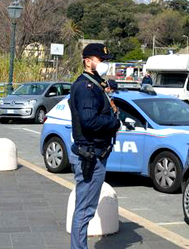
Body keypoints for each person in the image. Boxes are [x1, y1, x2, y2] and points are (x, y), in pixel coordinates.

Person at [68, 43, 121, 249]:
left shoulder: (95, 84)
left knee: (85, 208)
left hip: (96, 152)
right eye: (101, 60)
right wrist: (114, 123)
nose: (105, 64)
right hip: (90, 154)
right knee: (85, 210)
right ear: (88, 61)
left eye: (106, 60)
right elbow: (89, 121)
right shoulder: (86, 87)